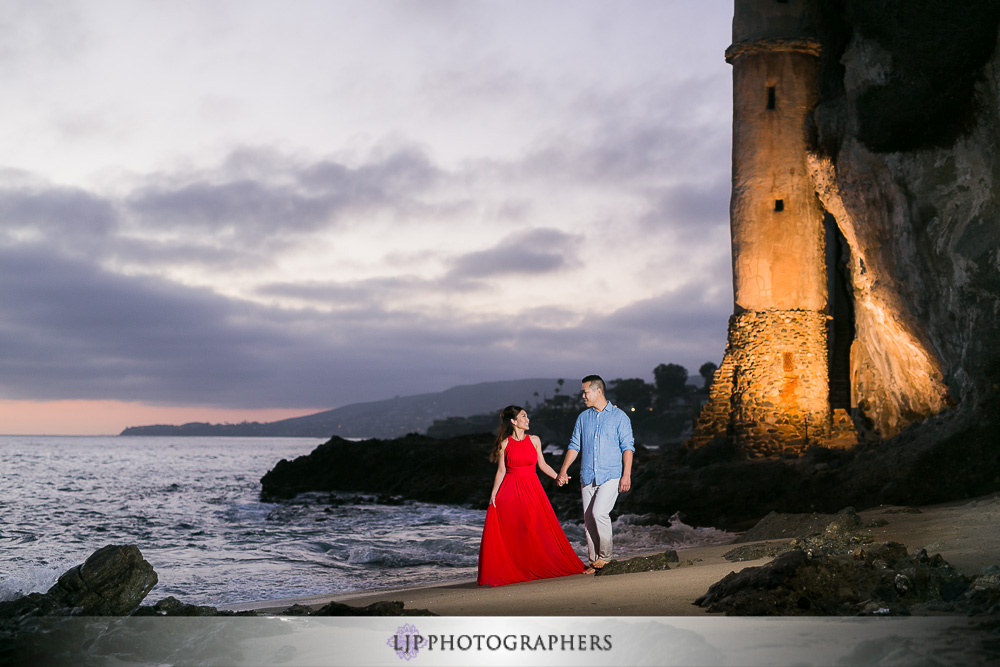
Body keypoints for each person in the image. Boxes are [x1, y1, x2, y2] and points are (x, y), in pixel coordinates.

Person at [477, 405, 585, 586]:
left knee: (532, 528)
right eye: (523, 416)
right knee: (516, 531)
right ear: (513, 421)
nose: (527, 420)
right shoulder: (505, 444)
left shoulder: (534, 440)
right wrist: (493, 494)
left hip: (533, 489)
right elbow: (501, 471)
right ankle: (517, 569)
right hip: (510, 492)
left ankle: (534, 566)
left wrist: (558, 476)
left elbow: (542, 465)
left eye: (527, 416)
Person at [557, 375, 634, 573]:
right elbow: (575, 445)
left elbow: (627, 447)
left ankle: (606, 557)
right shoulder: (583, 418)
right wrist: (564, 470)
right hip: (587, 475)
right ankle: (593, 561)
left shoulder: (620, 417)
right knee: (589, 520)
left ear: (598, 391)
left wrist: (627, 475)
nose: (583, 395)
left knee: (599, 513)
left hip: (611, 474)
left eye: (585, 392)